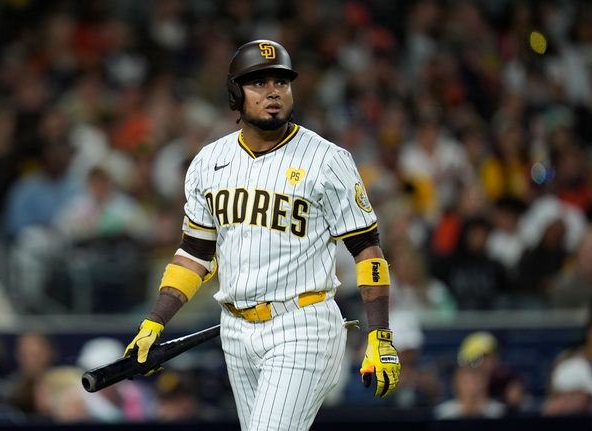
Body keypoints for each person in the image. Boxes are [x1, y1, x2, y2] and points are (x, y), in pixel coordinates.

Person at [123, 39, 400, 431]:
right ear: (235, 93)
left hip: (302, 324)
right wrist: (154, 323)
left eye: (282, 83)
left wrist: (380, 335)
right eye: (259, 83)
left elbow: (367, 251)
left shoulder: (327, 160)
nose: (273, 92)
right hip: (234, 330)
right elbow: (195, 254)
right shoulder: (209, 161)